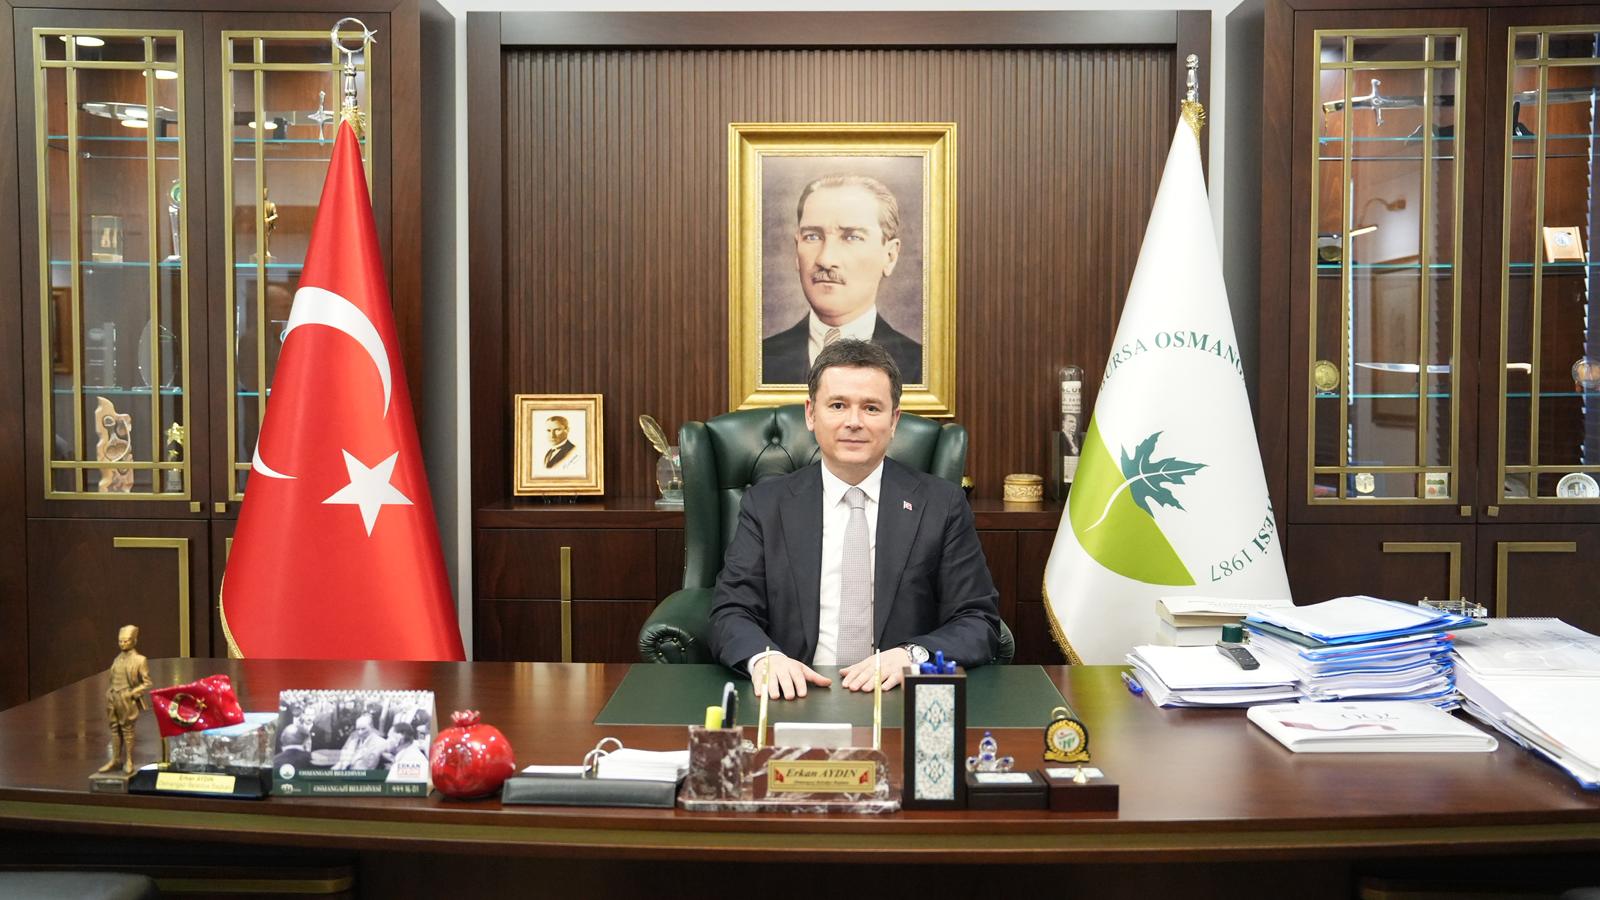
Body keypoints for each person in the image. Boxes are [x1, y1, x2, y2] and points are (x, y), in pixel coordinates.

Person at [710, 339, 999, 700]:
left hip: (898, 695)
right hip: (794, 694)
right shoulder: (766, 504)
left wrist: (912, 656)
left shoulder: (941, 504)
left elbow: (977, 621)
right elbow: (731, 611)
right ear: (811, 414)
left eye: (871, 408)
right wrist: (765, 659)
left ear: (894, 420)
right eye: (837, 405)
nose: (854, 422)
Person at [762, 176, 923, 385]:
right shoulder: (758, 362)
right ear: (796, 249)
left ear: (890, 256)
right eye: (812, 236)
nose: (825, 259)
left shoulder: (923, 369)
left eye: (852, 237)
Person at [98, 625, 151, 775]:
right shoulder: (117, 659)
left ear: (134, 641)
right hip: (113, 696)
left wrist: (131, 693)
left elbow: (147, 683)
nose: (123, 644)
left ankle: (129, 760)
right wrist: (109, 692)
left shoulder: (140, 660)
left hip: (126, 698)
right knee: (114, 728)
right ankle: (115, 760)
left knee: (127, 729)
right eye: (120, 641)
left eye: (126, 641)